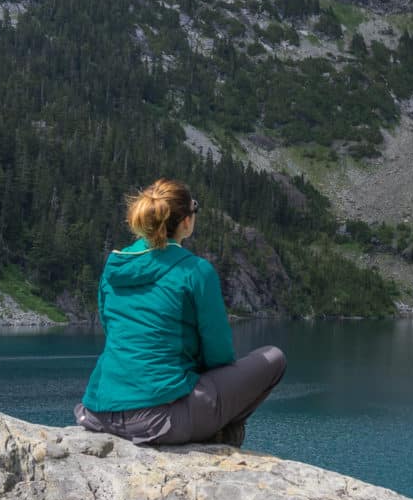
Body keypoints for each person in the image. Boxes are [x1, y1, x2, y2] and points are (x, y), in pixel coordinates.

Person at [73, 178, 286, 447]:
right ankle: (222, 434)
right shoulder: (195, 271)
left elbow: (112, 328)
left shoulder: (114, 267)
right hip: (158, 420)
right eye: (194, 209)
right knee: (273, 359)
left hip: (98, 412)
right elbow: (219, 354)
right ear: (186, 221)